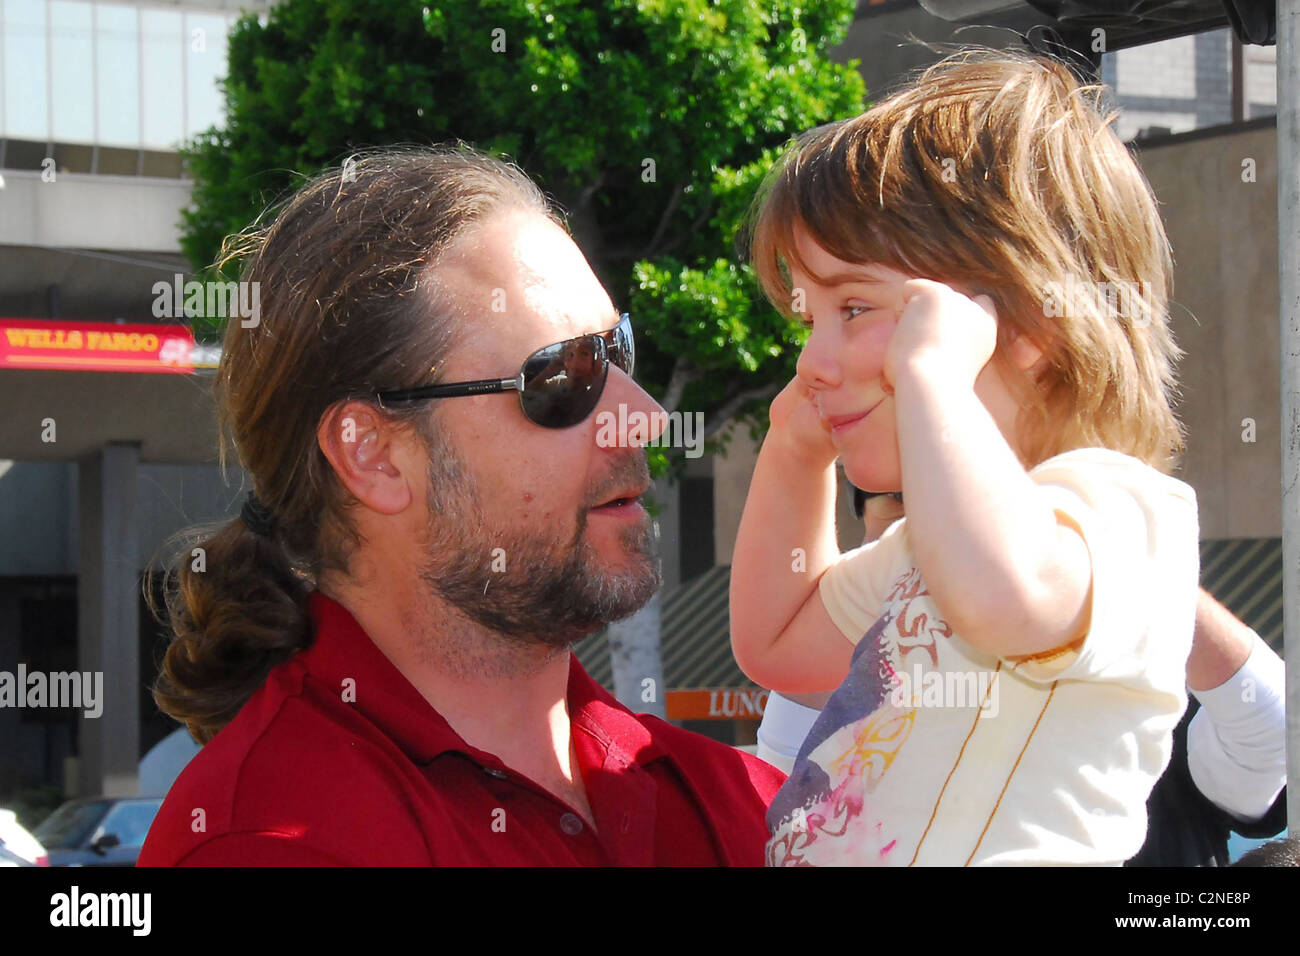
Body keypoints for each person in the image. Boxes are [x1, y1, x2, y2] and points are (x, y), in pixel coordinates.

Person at [138, 148, 784, 866]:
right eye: (565, 375)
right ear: (372, 455)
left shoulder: (748, 806)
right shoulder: (270, 841)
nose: (642, 416)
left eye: (619, 353)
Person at [730, 49, 1200, 866]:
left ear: (1019, 322)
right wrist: (793, 456)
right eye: (809, 322)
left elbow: (1003, 598)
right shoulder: (924, 552)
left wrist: (931, 373)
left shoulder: (1123, 518)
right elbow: (775, 639)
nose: (814, 359)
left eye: (852, 307)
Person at [757, 490, 1288, 867]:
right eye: (902, 499)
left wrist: (1121, 567)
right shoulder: (845, 677)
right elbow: (769, 804)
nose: (936, 528)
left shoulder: (1152, 671)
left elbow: (1271, 739)